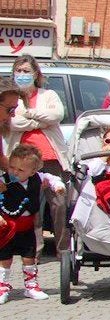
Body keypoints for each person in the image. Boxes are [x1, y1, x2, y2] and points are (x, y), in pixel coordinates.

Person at [5, 54, 71, 254]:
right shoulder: (12, 98)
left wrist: (30, 114)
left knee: (59, 205)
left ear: (35, 74)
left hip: (50, 158)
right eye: (19, 71)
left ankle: (63, 251)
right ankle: (35, 250)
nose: (22, 75)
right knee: (32, 207)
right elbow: (13, 123)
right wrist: (42, 120)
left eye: (26, 71)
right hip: (22, 161)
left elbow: (57, 115)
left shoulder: (48, 95)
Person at [0, 144, 65, 303]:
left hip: (27, 226)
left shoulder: (38, 179)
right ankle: (3, 286)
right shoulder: (3, 180)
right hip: (7, 226)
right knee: (5, 258)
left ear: (33, 171)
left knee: (29, 257)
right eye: (12, 167)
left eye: (21, 170)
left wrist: (58, 186)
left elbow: (52, 178)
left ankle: (31, 286)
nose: (15, 172)